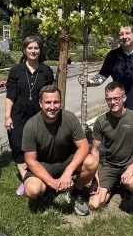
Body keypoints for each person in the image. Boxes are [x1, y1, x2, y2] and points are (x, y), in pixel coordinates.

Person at [79, 24, 133, 172]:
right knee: (119, 139)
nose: (124, 36)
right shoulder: (113, 56)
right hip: (118, 108)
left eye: (127, 33)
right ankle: (120, 169)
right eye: (121, 34)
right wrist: (88, 83)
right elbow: (102, 76)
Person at [21, 85, 97, 216]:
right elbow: (30, 161)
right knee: (32, 190)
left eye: (56, 102)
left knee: (92, 162)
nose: (52, 107)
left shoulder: (70, 118)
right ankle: (48, 190)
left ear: (60, 102)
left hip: (66, 160)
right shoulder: (31, 126)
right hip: (43, 164)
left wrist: (69, 171)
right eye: (48, 102)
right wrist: (53, 182)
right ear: (40, 103)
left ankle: (75, 191)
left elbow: (84, 147)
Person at [87, 82, 133, 212]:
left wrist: (131, 169)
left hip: (131, 165)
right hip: (110, 166)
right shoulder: (101, 121)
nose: (112, 102)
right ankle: (113, 185)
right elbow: (94, 150)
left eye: (116, 98)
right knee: (94, 204)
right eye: (109, 99)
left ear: (124, 98)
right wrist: (95, 177)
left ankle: (131, 191)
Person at [4, 36, 54, 196]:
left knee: (38, 147)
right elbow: (10, 95)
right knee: (19, 147)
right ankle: (27, 179)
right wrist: (7, 116)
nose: (33, 51)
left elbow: (49, 95)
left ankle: (34, 177)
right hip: (18, 115)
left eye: (36, 48)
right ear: (25, 50)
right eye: (30, 48)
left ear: (40, 50)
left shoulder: (46, 71)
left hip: (39, 115)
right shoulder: (16, 70)